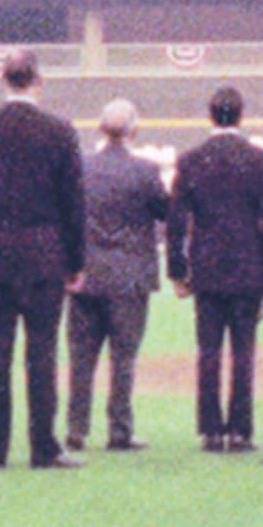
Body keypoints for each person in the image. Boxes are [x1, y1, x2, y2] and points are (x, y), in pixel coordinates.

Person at [0, 50, 85, 471]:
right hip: (45, 256)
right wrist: (75, 262)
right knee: (42, 355)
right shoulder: (60, 131)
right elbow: (73, 203)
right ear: (37, 81)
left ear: (3, 80)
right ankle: (44, 447)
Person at [166, 84, 263, 455]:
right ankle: (241, 431)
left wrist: (177, 270)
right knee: (243, 351)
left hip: (207, 267)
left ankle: (211, 431)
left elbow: (175, 220)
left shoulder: (190, 160)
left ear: (210, 115)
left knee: (208, 351)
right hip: (248, 266)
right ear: (242, 115)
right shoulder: (259, 160)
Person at [65, 97, 168, 455]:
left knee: (81, 357)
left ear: (99, 129)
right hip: (129, 276)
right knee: (124, 358)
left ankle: (76, 429)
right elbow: (163, 211)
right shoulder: (145, 170)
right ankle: (120, 430)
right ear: (134, 130)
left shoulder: (80, 168)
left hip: (86, 274)